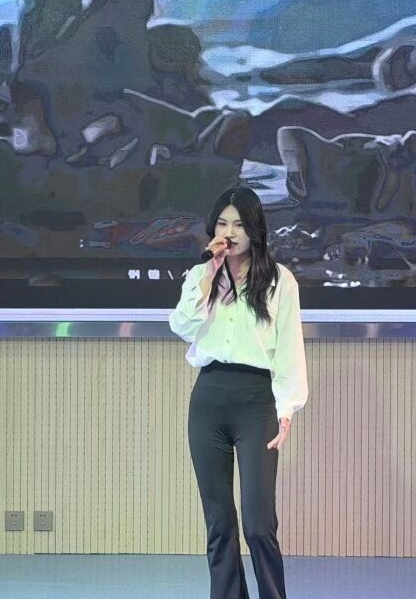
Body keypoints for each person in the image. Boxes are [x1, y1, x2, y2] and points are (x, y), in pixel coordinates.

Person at [169, 186, 309, 599]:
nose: (229, 233)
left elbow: (289, 349)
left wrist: (287, 409)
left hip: (257, 401)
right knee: (219, 522)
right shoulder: (200, 276)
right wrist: (209, 272)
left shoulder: (280, 280)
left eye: (239, 225)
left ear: (255, 230)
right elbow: (181, 326)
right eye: (222, 224)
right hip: (209, 398)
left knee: (258, 523)